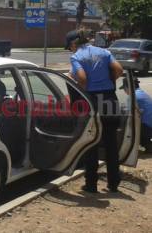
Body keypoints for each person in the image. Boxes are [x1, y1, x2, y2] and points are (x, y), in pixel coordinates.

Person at [66, 29, 124, 193]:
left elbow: (82, 78)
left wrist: (82, 91)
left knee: (91, 143)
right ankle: (113, 183)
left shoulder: (77, 57)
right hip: (109, 100)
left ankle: (91, 185)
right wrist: (108, 82)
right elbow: (119, 70)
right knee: (111, 144)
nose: (70, 50)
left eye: (69, 47)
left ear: (73, 44)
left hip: (92, 102)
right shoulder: (104, 52)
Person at [120, 77, 152, 153]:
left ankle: (146, 144)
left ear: (128, 87)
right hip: (149, 126)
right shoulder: (142, 93)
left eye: (124, 89)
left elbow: (128, 114)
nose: (125, 91)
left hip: (147, 128)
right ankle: (147, 143)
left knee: (125, 125)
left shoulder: (133, 96)